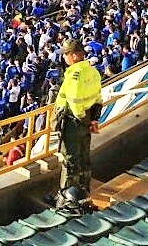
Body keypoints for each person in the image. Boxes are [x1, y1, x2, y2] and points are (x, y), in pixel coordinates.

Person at [55, 39, 102, 197]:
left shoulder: (74, 76)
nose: (64, 58)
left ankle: (68, 196)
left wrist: (81, 119)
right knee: (83, 156)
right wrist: (92, 120)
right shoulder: (93, 71)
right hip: (87, 117)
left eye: (66, 54)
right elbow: (98, 99)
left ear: (74, 56)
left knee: (70, 159)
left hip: (73, 121)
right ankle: (83, 189)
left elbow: (75, 104)